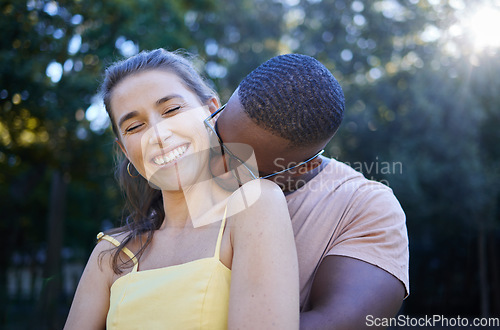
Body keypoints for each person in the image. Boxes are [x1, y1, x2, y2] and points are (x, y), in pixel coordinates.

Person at [64, 49, 300, 329]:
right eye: (135, 126)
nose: (158, 135)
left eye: (172, 110)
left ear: (212, 111)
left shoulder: (255, 206)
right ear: (125, 151)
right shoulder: (110, 255)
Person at [210, 53, 409, 329]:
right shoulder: (185, 158)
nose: (216, 166)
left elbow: (338, 322)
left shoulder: (365, 207)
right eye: (217, 138)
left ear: (304, 167)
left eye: (241, 166)